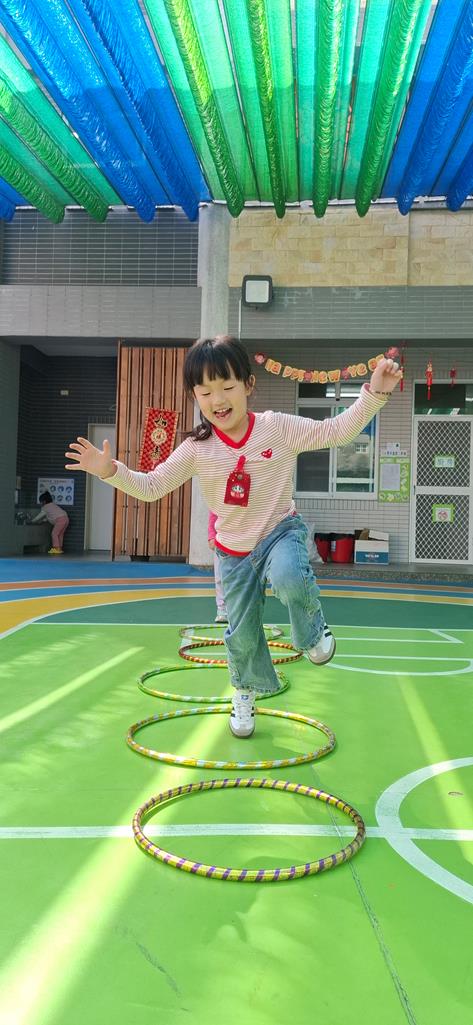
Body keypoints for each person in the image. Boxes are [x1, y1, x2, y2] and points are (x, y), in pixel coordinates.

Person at [65, 335, 401, 739]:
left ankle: (312, 632)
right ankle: (244, 692)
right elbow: (152, 487)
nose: (218, 400)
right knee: (240, 634)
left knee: (290, 578)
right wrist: (109, 470)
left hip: (278, 531)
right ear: (195, 396)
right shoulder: (196, 448)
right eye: (205, 392)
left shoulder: (277, 428)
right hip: (233, 552)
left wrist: (375, 393)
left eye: (227, 386)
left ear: (248, 385)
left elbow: (337, 431)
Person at [208, 510, 228, 623]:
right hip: (220, 539)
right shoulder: (217, 500)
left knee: (241, 577)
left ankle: (238, 610)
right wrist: (211, 536)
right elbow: (213, 513)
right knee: (220, 577)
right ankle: (222, 610)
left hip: (240, 538)